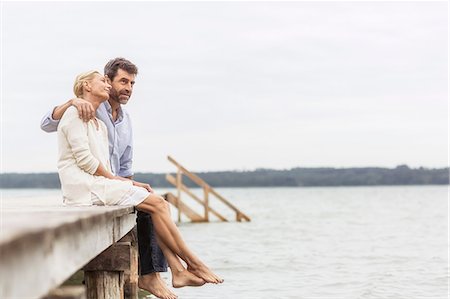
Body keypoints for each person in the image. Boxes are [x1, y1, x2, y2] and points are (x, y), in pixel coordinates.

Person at [57, 70, 223, 298]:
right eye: (104, 81)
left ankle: (180, 270)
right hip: (83, 188)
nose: (107, 85)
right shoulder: (74, 113)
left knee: (156, 204)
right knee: (158, 205)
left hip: (100, 184)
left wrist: (129, 183)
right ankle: (193, 264)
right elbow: (85, 161)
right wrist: (119, 182)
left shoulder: (100, 125)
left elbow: (107, 165)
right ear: (86, 85)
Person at [41, 58, 185, 299]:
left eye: (132, 83)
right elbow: (47, 124)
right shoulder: (90, 107)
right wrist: (71, 102)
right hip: (97, 185)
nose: (128, 88)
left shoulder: (125, 120)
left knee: (150, 207)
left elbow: (126, 163)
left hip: (115, 184)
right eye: (123, 81)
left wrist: (130, 187)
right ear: (108, 81)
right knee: (155, 205)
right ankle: (176, 270)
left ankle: (156, 275)